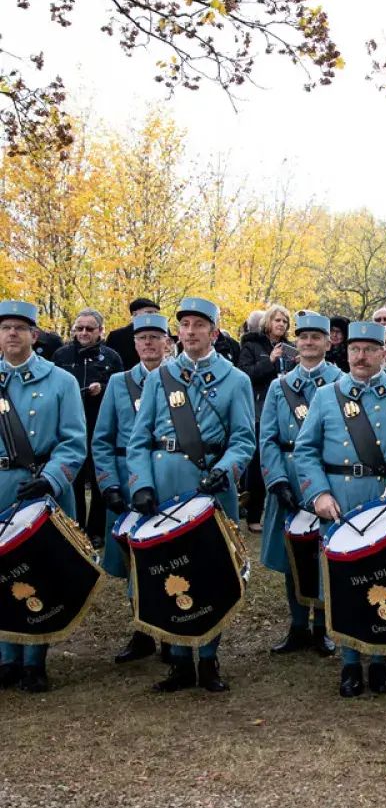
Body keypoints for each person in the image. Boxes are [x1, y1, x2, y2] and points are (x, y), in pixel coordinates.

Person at [127, 297, 255, 693]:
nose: (191, 331)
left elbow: (244, 439)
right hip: (164, 487)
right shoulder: (159, 378)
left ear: (215, 332)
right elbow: (139, 441)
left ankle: (210, 659)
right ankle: (179, 660)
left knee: (210, 570)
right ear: (177, 332)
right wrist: (141, 485)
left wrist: (225, 470)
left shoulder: (236, 379)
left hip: (210, 489)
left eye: (200, 325)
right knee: (168, 571)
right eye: (185, 325)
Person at [294, 322, 386, 698]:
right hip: (340, 501)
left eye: (370, 349)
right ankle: (350, 662)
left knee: (385, 578)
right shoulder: (326, 396)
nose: (361, 357)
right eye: (354, 349)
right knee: (344, 581)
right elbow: (305, 449)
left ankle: (380, 661)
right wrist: (317, 493)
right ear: (345, 352)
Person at [0, 300, 87, 693]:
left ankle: (35, 660)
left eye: (20, 328)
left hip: (41, 489)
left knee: (41, 573)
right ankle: (6, 658)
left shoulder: (61, 381)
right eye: (5, 328)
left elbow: (74, 442)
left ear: (35, 336)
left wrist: (51, 478)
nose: (12, 334)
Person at [259, 311, 341, 657]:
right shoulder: (280, 386)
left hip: (326, 478)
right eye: (303, 337)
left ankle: (323, 627)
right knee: (291, 552)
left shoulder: (341, 382)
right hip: (288, 475)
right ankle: (296, 625)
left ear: (327, 342)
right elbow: (268, 438)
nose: (308, 343)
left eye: (316, 338)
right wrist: (277, 480)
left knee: (324, 551)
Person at [92, 313, 171, 665]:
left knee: (167, 555)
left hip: (168, 479)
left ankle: (172, 629)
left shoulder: (178, 379)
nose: (149, 343)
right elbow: (102, 439)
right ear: (134, 343)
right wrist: (108, 484)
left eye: (156, 337)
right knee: (132, 559)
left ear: (168, 341)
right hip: (127, 480)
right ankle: (141, 631)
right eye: (142, 338)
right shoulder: (118, 383)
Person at [53, 309, 124, 547]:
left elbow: (119, 392)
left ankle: (97, 531)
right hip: (68, 427)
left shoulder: (112, 357)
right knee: (72, 479)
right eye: (79, 328)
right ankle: (75, 526)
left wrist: (102, 387)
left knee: (98, 480)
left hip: (99, 426)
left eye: (89, 329)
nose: (83, 333)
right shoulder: (61, 355)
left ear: (100, 331)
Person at [238, 305, 295, 533]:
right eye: (277, 320)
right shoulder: (252, 345)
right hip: (259, 410)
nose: (281, 325)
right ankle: (253, 515)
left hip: (287, 410)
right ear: (268, 322)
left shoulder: (291, 347)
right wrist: (269, 360)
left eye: (285, 321)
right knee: (258, 465)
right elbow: (244, 376)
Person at [106, 298, 161, 370]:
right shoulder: (117, 336)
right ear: (135, 315)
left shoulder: (163, 333)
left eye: (156, 313)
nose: (154, 316)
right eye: (149, 312)